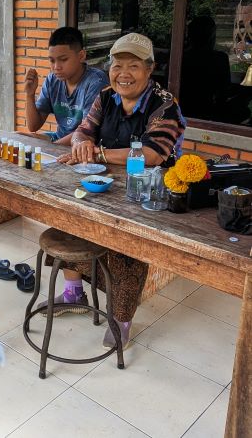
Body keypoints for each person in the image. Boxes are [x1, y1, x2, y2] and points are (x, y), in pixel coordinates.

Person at [43, 32, 186, 349]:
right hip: (104, 184)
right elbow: (82, 131)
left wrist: (99, 154)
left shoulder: (165, 106)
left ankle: (121, 319)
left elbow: (152, 154)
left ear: (149, 69)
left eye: (133, 66)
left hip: (147, 190)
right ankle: (73, 293)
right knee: (71, 220)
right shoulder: (106, 96)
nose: (123, 73)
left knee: (127, 249)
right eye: (117, 65)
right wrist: (83, 144)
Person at [24, 26, 109, 145]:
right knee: (17, 138)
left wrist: (52, 148)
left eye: (63, 59)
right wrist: (29, 94)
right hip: (58, 139)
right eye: (52, 61)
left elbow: (86, 132)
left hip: (83, 145)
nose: (56, 67)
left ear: (81, 56)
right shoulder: (52, 80)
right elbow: (33, 126)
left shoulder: (95, 82)